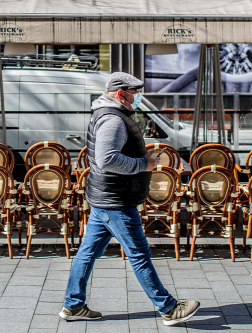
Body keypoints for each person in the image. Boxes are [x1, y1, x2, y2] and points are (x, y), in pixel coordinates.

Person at [59, 72, 200, 326]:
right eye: (134, 93)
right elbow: (107, 159)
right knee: (139, 254)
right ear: (121, 94)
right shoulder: (113, 120)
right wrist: (144, 164)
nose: (137, 98)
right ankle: (167, 308)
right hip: (116, 199)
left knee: (87, 254)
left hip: (106, 196)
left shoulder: (109, 114)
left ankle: (73, 305)